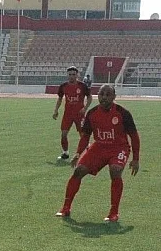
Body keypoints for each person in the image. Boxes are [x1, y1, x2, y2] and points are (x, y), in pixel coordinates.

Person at [55, 84, 140, 222]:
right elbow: (86, 136)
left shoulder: (123, 113)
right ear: (98, 95)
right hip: (99, 147)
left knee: (115, 170)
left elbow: (134, 136)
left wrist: (135, 159)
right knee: (78, 171)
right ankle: (66, 208)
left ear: (114, 97)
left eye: (108, 95)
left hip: (119, 148)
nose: (104, 98)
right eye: (102, 94)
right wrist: (77, 153)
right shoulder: (92, 113)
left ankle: (114, 212)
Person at [53, 66, 92, 160]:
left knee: (83, 135)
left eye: (73, 75)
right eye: (70, 74)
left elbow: (90, 97)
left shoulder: (82, 86)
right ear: (67, 75)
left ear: (77, 75)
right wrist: (56, 110)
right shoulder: (63, 86)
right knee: (63, 134)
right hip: (68, 114)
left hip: (79, 114)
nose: (71, 76)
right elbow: (59, 99)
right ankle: (65, 153)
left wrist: (85, 108)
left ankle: (89, 153)